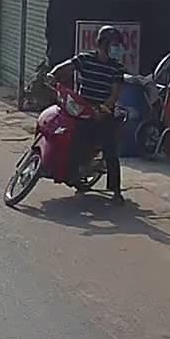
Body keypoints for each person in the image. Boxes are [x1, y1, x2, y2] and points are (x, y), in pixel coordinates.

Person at [47, 25, 128, 205]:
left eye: (117, 45)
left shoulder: (116, 67)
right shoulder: (85, 59)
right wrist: (52, 75)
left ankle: (115, 191)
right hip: (81, 109)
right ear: (103, 44)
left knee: (110, 149)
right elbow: (65, 67)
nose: (116, 49)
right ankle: (70, 171)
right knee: (71, 136)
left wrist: (103, 109)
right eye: (113, 45)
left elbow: (115, 94)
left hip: (103, 112)